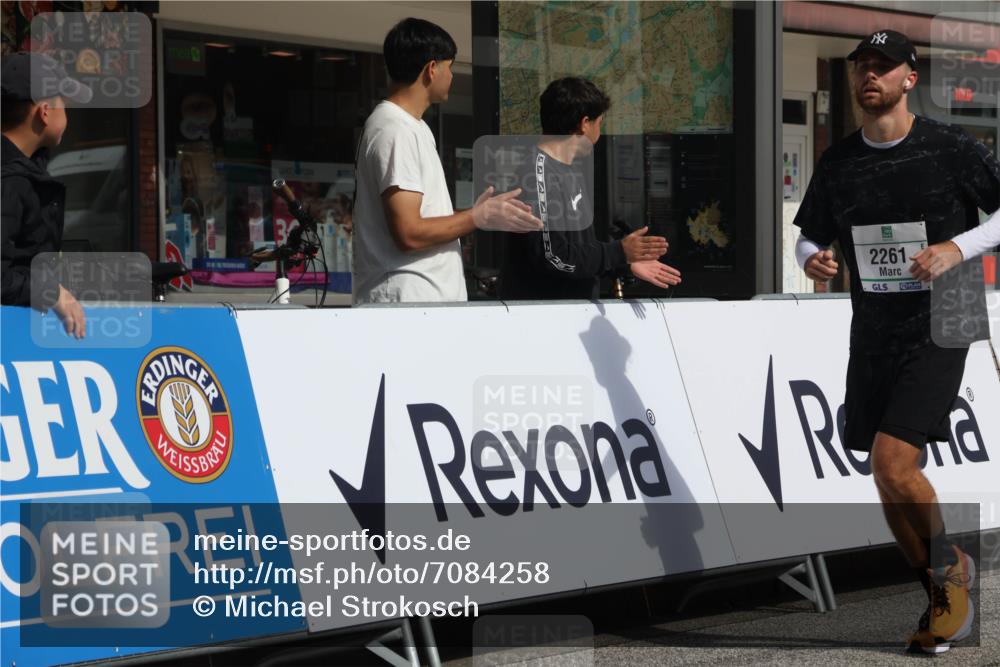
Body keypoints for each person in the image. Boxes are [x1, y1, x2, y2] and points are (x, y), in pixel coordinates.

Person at [794, 30, 1000, 654]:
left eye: (884, 67)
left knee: (893, 462)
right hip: (875, 324)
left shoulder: (951, 146)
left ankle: (951, 580)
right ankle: (940, 591)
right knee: (882, 477)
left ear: (911, 78)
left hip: (948, 313)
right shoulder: (840, 161)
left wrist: (954, 248)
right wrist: (812, 260)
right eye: (863, 67)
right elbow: (809, 234)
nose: (870, 76)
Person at [352, 18, 542, 304]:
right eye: (450, 67)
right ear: (431, 69)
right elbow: (409, 233)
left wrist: (477, 213)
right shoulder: (395, 129)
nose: (451, 76)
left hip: (421, 304)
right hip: (408, 304)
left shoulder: (410, 126)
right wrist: (477, 217)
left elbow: (419, 220)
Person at [499, 77, 681, 300]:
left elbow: (580, 250)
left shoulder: (568, 170)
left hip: (575, 312)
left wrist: (623, 262)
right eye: (599, 122)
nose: (599, 130)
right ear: (585, 124)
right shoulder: (535, 176)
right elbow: (554, 257)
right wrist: (618, 252)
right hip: (545, 320)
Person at [2, 51, 92, 338]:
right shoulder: (10, 181)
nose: (67, 111)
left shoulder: (26, 173)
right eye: (62, 103)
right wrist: (51, 293)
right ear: (44, 111)